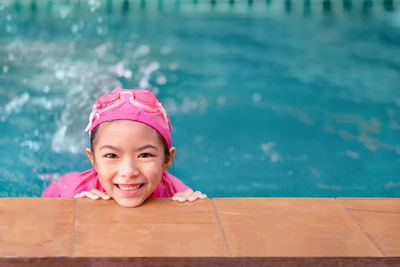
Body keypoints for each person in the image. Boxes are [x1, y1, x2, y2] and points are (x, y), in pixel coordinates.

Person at [42, 88, 207, 207]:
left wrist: (193, 204)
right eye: (112, 156)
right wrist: (74, 211)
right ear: (93, 160)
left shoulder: (175, 193)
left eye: (145, 155)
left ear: (167, 160)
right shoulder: (72, 193)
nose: (128, 172)